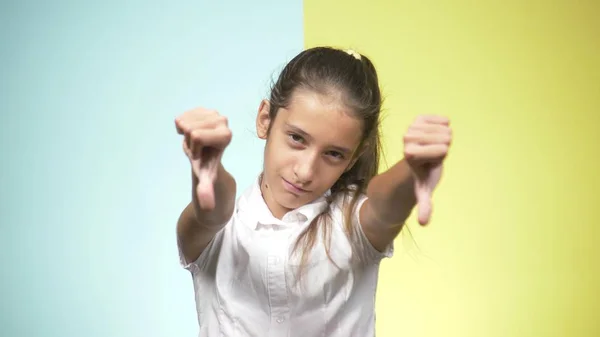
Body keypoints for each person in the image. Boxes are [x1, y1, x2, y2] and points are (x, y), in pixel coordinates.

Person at [174, 46, 452, 337]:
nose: (306, 171)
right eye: (296, 138)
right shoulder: (220, 232)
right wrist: (210, 169)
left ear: (353, 159)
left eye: (333, 154)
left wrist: (410, 171)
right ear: (265, 119)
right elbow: (212, 212)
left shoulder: (350, 225)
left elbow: (382, 209)